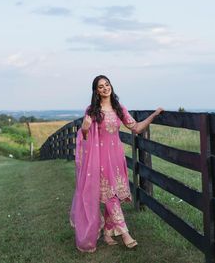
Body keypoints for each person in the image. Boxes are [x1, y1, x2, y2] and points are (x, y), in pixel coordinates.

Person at [69, 75, 164, 253]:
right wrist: (85, 128)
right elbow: (85, 138)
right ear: (96, 91)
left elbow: (135, 128)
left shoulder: (120, 109)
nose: (105, 88)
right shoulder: (92, 111)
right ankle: (125, 233)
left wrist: (153, 115)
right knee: (110, 196)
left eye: (107, 84)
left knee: (114, 194)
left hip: (116, 158)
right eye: (101, 86)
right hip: (100, 160)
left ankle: (107, 233)